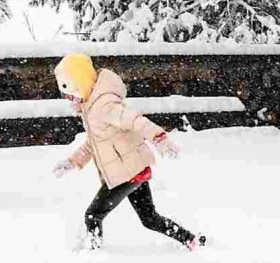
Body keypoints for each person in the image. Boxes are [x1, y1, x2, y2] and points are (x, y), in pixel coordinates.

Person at [51, 53, 206, 251]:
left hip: (126, 174)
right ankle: (190, 240)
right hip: (134, 170)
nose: (68, 97)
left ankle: (93, 254)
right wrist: (72, 162)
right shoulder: (91, 107)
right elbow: (93, 144)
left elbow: (135, 120)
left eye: (70, 91)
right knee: (149, 218)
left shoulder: (105, 105)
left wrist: (160, 138)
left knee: (93, 215)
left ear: (81, 82)